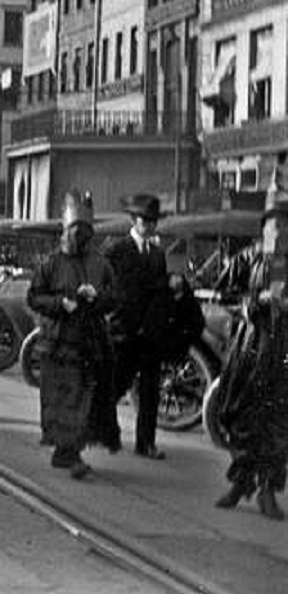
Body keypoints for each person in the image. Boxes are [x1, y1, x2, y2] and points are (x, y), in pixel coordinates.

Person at [27, 189, 119, 479]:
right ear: (65, 231)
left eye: (85, 230)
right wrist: (60, 303)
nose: (80, 235)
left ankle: (70, 452)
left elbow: (115, 297)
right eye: (75, 229)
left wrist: (97, 297)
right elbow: (34, 297)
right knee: (64, 400)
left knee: (85, 400)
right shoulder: (51, 263)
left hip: (89, 342)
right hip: (59, 343)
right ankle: (67, 452)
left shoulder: (100, 263)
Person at [212, 182, 288, 521]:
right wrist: (253, 302)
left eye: (286, 223)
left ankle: (268, 490)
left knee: (278, 424)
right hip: (251, 347)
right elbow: (222, 291)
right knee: (243, 416)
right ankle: (241, 482)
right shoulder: (247, 257)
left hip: (284, 350)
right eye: (275, 223)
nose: (281, 229)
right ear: (264, 227)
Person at [102, 193, 172, 460]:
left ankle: (146, 443)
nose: (150, 226)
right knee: (117, 385)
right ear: (134, 220)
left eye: (153, 221)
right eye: (145, 220)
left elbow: (160, 291)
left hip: (150, 333)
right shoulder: (116, 249)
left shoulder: (157, 254)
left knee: (150, 391)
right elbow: (104, 284)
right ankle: (100, 431)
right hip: (124, 331)